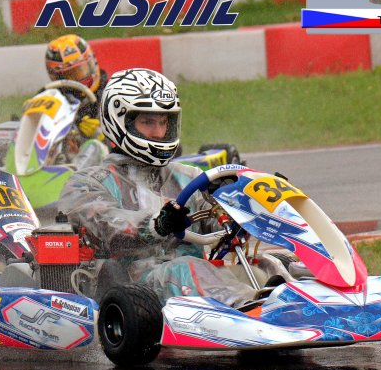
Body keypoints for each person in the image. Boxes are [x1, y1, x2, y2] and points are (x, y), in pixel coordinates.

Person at [58, 68, 286, 307]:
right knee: (183, 269)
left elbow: (217, 225)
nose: (158, 133)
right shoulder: (87, 182)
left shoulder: (188, 177)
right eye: (148, 122)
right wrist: (157, 225)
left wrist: (245, 207)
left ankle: (294, 308)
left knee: (268, 264)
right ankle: (252, 311)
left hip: (195, 282)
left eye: (163, 122)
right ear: (120, 122)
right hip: (133, 290)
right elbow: (106, 226)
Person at [44, 34, 109, 140]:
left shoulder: (110, 96)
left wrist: (99, 136)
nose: (78, 81)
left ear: (93, 63)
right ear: (55, 77)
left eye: (80, 71)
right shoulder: (54, 99)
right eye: (69, 75)